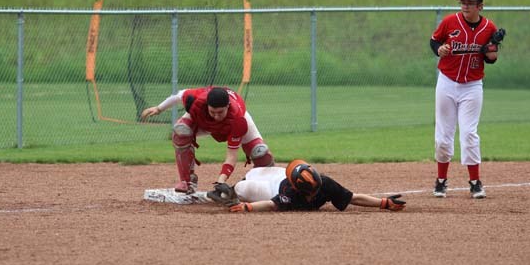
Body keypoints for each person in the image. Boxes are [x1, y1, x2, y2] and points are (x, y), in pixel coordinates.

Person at [429, 0, 505, 199]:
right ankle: (441, 181)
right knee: (443, 135)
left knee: (469, 134)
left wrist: (492, 46)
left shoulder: (489, 27)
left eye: (470, 3)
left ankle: (475, 182)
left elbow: (491, 60)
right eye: (463, 1)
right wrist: (439, 50)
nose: (465, 5)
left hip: (472, 86)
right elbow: (434, 41)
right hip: (446, 82)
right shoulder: (449, 22)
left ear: (480, 6)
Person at [141, 86, 274, 194]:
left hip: (230, 125)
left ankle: (264, 185)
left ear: (228, 106)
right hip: (204, 122)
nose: (216, 116)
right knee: (181, 131)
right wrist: (159, 108)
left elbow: (231, 156)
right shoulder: (198, 101)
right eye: (212, 112)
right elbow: (179, 95)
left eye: (220, 112)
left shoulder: (237, 119)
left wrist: (220, 181)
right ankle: (187, 182)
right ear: (207, 105)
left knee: (260, 153)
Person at [210, 160, 406, 213]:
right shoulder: (288, 190)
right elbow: (271, 204)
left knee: (251, 181)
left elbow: (353, 197)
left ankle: (236, 188)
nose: (315, 193)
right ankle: (232, 190)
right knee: (249, 182)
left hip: (277, 182)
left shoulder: (325, 184)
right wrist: (247, 206)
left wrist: (384, 203)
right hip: (273, 188)